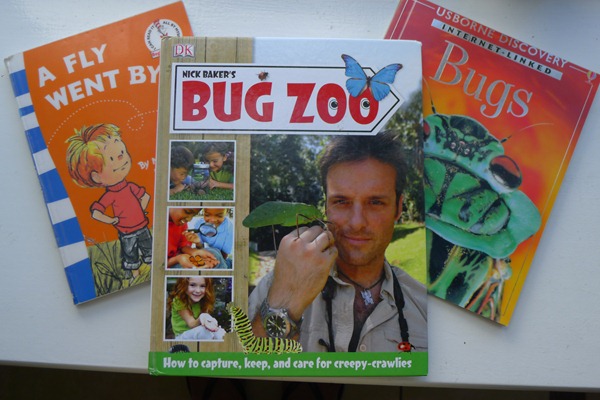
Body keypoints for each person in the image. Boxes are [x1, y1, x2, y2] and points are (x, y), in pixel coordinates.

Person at [248, 132, 427, 352]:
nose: (357, 223)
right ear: (326, 207)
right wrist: (284, 302)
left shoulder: (426, 307)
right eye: (341, 201)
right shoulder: (275, 285)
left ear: (399, 208)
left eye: (375, 202)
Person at [66, 123, 152, 277]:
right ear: (96, 177)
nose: (121, 158)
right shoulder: (110, 195)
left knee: (150, 249)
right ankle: (135, 274)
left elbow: (145, 196)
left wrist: (140, 209)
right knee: (130, 254)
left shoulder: (130, 186)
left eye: (122, 152)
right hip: (126, 232)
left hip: (142, 226)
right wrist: (111, 220)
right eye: (112, 158)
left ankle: (152, 271)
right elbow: (96, 213)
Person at [167, 276, 226, 341]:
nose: (198, 291)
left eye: (202, 286)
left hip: (198, 332)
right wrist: (202, 317)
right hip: (182, 336)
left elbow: (205, 321)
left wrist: (211, 323)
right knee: (203, 331)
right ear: (183, 286)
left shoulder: (203, 300)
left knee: (219, 332)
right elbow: (191, 324)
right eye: (192, 285)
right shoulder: (179, 300)